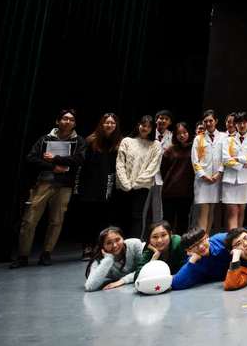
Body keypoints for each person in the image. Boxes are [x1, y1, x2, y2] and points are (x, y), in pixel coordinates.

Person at [14, 109, 87, 268]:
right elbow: (31, 158)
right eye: (65, 118)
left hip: (64, 186)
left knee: (56, 221)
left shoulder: (79, 141)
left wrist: (56, 158)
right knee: (29, 220)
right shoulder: (45, 139)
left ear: (75, 124)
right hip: (43, 183)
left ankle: (46, 253)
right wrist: (52, 167)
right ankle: (22, 255)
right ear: (57, 121)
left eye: (71, 120)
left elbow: (79, 160)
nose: (68, 122)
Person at [75, 113, 121, 260]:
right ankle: (87, 248)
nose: (110, 125)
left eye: (112, 123)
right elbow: (81, 165)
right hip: (90, 184)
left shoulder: (118, 142)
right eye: (107, 122)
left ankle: (101, 248)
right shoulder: (91, 140)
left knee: (104, 219)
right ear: (102, 124)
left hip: (108, 185)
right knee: (89, 218)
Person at [116, 115, 163, 239]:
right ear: (138, 125)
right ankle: (120, 245)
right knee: (122, 216)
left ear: (152, 129)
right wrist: (126, 183)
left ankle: (134, 245)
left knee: (137, 217)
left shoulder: (155, 145)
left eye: (148, 126)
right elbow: (120, 163)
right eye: (143, 125)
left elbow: (154, 166)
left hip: (142, 187)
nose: (145, 128)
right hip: (124, 186)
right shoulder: (126, 141)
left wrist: (137, 182)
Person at [191, 110, 224, 234]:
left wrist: (219, 173)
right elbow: (195, 161)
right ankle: (202, 239)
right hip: (203, 181)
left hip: (217, 179)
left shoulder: (223, 137)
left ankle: (207, 237)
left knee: (211, 210)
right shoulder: (198, 138)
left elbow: (225, 157)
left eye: (211, 121)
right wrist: (204, 176)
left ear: (216, 121)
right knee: (203, 211)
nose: (208, 123)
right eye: (206, 121)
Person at [84, 226, 144, 292]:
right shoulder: (99, 259)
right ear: (103, 246)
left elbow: (142, 270)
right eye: (109, 243)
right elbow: (90, 286)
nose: (115, 245)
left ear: (123, 239)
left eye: (118, 240)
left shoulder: (134, 244)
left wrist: (122, 281)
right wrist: (108, 260)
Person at [160, 122, 194, 234]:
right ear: (175, 135)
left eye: (184, 132)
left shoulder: (194, 149)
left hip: (186, 192)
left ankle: (180, 243)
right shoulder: (170, 150)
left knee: (183, 221)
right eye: (179, 133)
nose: (182, 135)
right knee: (168, 221)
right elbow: (163, 170)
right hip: (170, 191)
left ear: (189, 133)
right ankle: (166, 243)